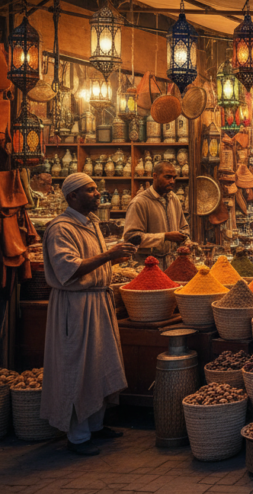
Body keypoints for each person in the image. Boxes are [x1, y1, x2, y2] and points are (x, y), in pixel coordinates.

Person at [41, 173, 137, 455]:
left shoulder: (90, 223)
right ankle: (77, 436)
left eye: (96, 189)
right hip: (76, 306)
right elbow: (68, 268)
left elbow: (90, 261)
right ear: (72, 196)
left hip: (97, 302)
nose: (97, 194)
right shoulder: (61, 228)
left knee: (98, 365)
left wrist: (111, 257)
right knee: (77, 368)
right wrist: (108, 256)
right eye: (90, 190)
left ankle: (95, 424)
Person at [123, 161, 189, 270]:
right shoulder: (139, 202)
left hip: (172, 264)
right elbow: (131, 237)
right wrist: (164, 236)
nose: (172, 181)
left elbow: (184, 227)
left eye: (174, 177)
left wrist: (185, 238)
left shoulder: (174, 199)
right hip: (147, 267)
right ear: (155, 176)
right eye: (167, 177)